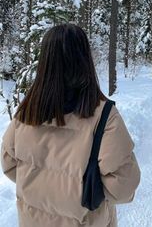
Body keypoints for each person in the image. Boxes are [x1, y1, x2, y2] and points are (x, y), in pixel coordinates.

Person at [1, 23, 141, 227]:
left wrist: (42, 188)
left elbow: (9, 164)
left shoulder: (26, 110)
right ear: (85, 60)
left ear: (45, 62)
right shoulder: (104, 115)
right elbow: (124, 187)